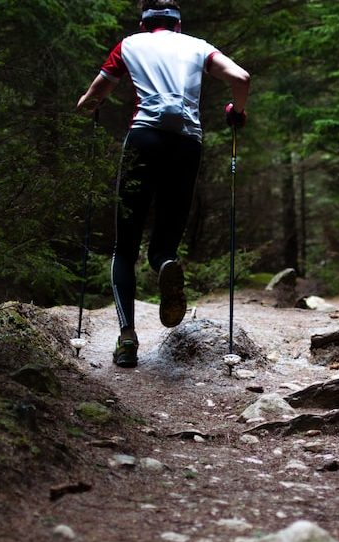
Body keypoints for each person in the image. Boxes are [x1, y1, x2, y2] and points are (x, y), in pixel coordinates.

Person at [76, 0, 250, 368]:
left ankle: (126, 340)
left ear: (143, 24)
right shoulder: (199, 46)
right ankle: (166, 262)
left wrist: (88, 104)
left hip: (144, 140)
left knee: (124, 246)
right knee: (165, 241)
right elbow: (241, 78)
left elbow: (94, 96)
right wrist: (237, 110)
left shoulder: (129, 45)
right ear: (178, 25)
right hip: (187, 144)